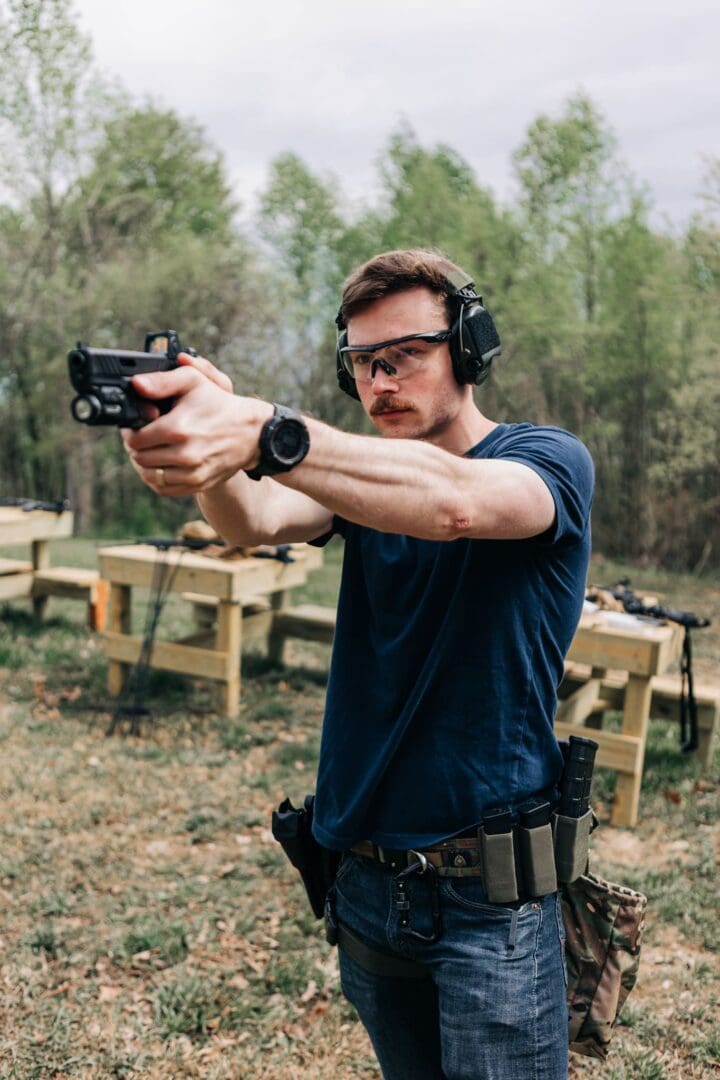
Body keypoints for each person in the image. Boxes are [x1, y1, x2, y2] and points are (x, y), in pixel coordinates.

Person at [121, 249, 594, 1080]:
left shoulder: (549, 460)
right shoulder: (362, 484)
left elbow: (457, 504)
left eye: (402, 357)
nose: (380, 382)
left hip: (493, 901)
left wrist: (267, 432)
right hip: (369, 881)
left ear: (470, 349)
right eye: (362, 364)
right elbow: (256, 518)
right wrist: (211, 452)